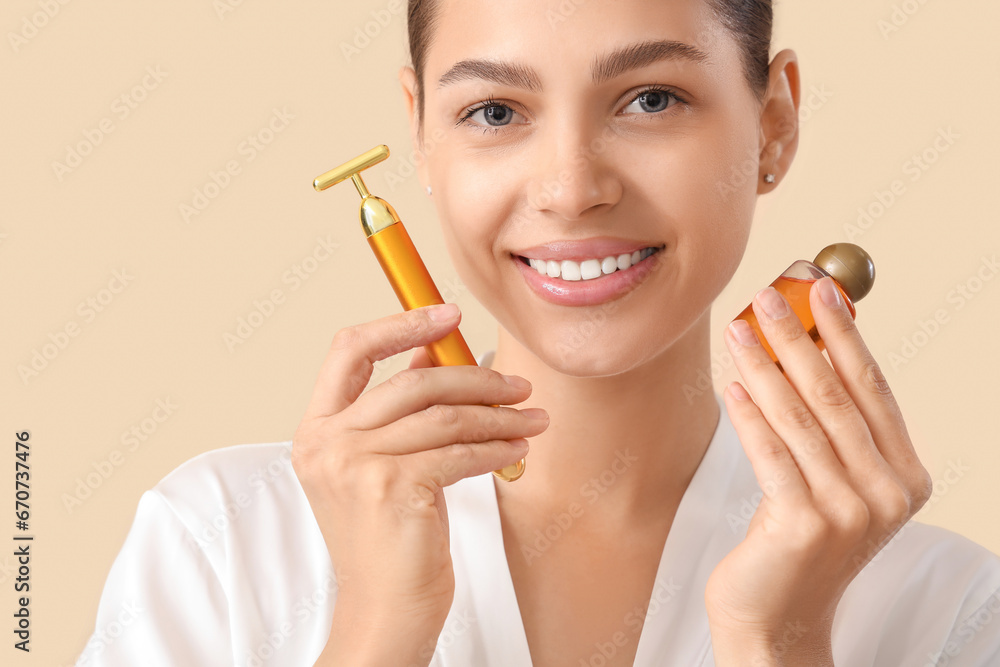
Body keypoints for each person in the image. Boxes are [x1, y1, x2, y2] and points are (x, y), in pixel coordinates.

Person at [76, 1, 1000, 665]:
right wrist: (375, 629)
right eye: (494, 112)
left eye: (651, 100)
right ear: (421, 136)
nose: (569, 187)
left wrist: (780, 642)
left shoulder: (952, 607)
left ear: (775, 123)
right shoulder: (220, 541)